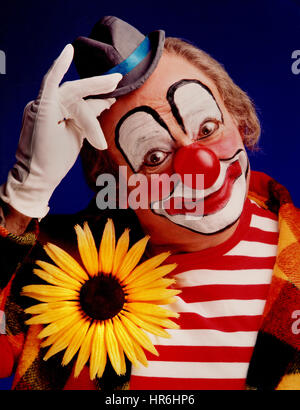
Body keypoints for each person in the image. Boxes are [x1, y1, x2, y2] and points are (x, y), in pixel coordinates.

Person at [0, 16, 299, 390]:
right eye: (154, 157)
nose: (199, 166)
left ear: (237, 117)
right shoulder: (52, 269)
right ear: (115, 183)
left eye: (207, 129)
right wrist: (25, 198)